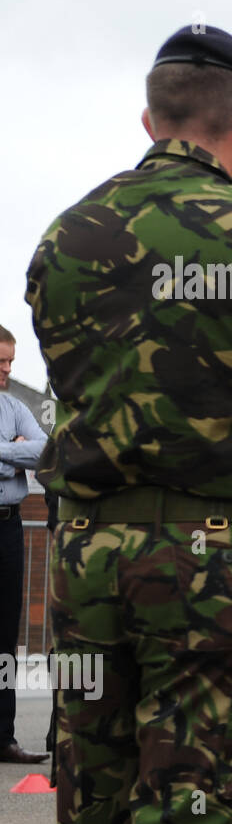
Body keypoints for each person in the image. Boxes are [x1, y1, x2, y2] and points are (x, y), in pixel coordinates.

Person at [26, 26, 232, 824]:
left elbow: (68, 378)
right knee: (209, 798)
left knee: (94, 796)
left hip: (85, 557)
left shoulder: (62, 240)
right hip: (219, 565)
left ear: (148, 122)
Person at [0, 327, 50, 764]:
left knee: (5, 637)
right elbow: (26, 454)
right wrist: (13, 451)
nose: (7, 370)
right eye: (0, 362)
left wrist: (9, 454)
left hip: (9, 529)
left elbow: (44, 451)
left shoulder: (16, 407)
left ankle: (3, 737)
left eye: (11, 363)